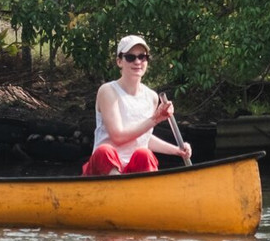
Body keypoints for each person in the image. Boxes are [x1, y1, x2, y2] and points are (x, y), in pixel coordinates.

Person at [80, 35, 192, 175]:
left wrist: (176, 150)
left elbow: (142, 137)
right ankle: (119, 190)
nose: (137, 62)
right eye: (130, 57)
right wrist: (155, 119)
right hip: (105, 169)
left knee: (144, 154)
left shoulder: (151, 97)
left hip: (132, 169)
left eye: (142, 57)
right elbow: (118, 137)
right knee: (105, 151)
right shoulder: (108, 91)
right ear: (119, 61)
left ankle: (145, 191)